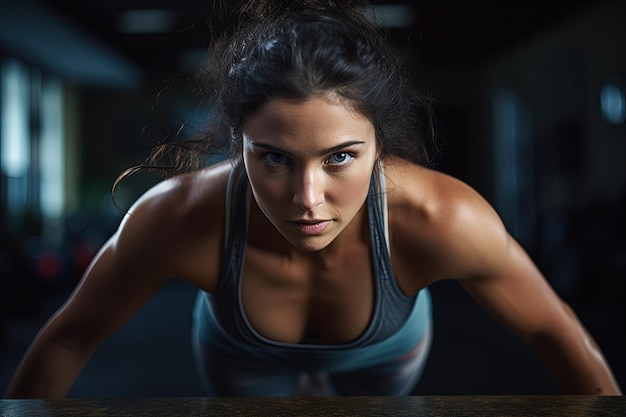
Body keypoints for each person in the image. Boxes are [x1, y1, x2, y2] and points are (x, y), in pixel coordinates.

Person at [4, 0, 622, 398]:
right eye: (273, 157)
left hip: (386, 357)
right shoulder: (179, 217)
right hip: (240, 357)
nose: (307, 198)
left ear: (381, 145)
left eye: (340, 158)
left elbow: (554, 333)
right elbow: (68, 338)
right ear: (237, 144)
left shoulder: (440, 217)